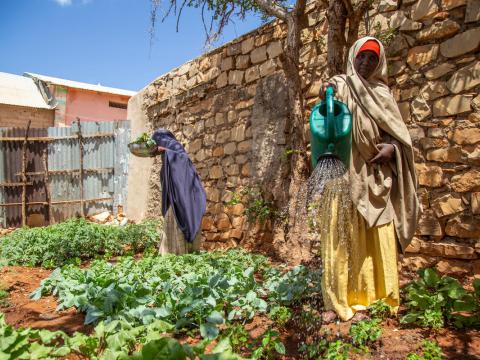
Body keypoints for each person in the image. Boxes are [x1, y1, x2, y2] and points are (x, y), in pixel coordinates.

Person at [317, 37, 421, 322]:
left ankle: (378, 296)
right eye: (362, 56)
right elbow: (327, 111)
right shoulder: (341, 84)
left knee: (379, 234)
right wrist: (326, 93)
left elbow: (399, 136)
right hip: (344, 174)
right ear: (353, 56)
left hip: (376, 177)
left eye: (372, 58)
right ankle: (341, 298)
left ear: (379, 62)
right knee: (341, 234)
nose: (366, 63)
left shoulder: (382, 93)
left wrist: (393, 149)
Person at [150, 129, 207, 255]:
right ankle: (173, 255)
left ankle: (181, 255)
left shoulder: (173, 146)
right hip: (174, 198)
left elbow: (183, 159)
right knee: (171, 222)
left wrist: (166, 151)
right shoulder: (167, 153)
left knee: (181, 219)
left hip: (184, 196)